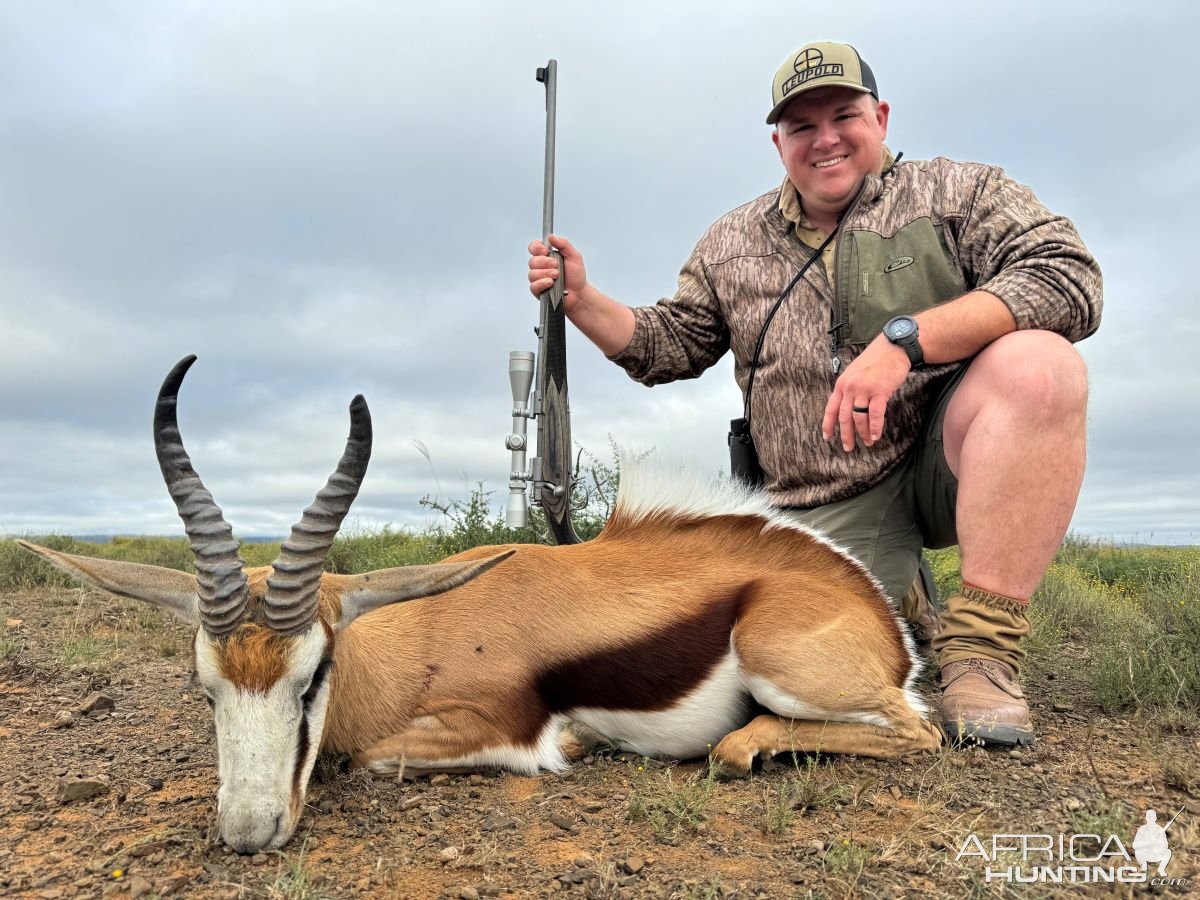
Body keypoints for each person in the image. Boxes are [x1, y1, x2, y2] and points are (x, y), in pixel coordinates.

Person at [526, 41, 1101, 746]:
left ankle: (982, 652)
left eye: (843, 115)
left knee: (1042, 365)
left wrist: (905, 342)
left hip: (940, 463)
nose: (825, 139)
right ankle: (900, 586)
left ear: (881, 117)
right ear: (779, 142)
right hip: (812, 503)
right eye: (802, 126)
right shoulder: (730, 241)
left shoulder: (961, 193)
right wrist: (583, 300)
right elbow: (667, 346)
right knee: (760, 662)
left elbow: (1067, 278)